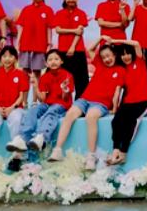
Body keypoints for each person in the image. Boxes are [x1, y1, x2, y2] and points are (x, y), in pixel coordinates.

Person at [48, 40, 123, 170]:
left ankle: (91, 156)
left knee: (90, 117)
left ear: (115, 55)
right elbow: (90, 50)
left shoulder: (120, 70)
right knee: (70, 114)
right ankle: (58, 150)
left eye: (109, 56)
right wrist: (101, 38)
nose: (106, 59)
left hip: (101, 103)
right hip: (85, 98)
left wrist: (115, 108)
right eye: (103, 57)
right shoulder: (99, 64)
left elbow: (117, 91)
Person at [6, 49, 73, 162]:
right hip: (47, 104)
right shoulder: (45, 77)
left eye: (56, 59)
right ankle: (22, 138)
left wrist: (64, 89)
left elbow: (65, 99)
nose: (53, 61)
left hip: (61, 105)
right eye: (50, 59)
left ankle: (41, 136)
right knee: (33, 110)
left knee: (51, 111)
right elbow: (43, 99)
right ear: (46, 63)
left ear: (61, 61)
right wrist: (36, 85)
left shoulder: (67, 75)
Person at [0, 46, 29, 175]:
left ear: (15, 58)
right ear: (1, 58)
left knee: (17, 120)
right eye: (4, 56)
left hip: (15, 107)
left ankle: (16, 157)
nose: (7, 59)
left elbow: (21, 96)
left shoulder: (21, 75)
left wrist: (11, 107)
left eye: (10, 56)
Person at [108, 39, 147, 166]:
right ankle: (115, 150)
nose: (126, 57)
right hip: (128, 102)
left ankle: (123, 153)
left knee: (130, 121)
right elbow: (118, 90)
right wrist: (115, 108)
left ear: (132, 54)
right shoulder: (123, 70)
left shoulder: (139, 61)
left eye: (128, 53)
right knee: (116, 120)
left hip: (144, 101)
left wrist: (115, 41)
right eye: (122, 54)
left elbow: (137, 43)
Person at [15, 0, 54, 102]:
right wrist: (18, 42)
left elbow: (49, 28)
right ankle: (24, 101)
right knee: (25, 74)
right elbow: (21, 27)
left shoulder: (48, 10)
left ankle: (35, 101)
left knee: (37, 74)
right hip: (25, 45)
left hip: (40, 46)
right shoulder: (26, 9)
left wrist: (49, 44)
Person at [53, 0, 90, 99]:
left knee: (81, 79)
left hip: (78, 49)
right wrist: (73, 30)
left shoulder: (81, 13)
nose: (71, 0)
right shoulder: (59, 13)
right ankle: (63, 101)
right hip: (63, 50)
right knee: (64, 78)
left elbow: (80, 32)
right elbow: (58, 30)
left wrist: (72, 47)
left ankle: (81, 102)